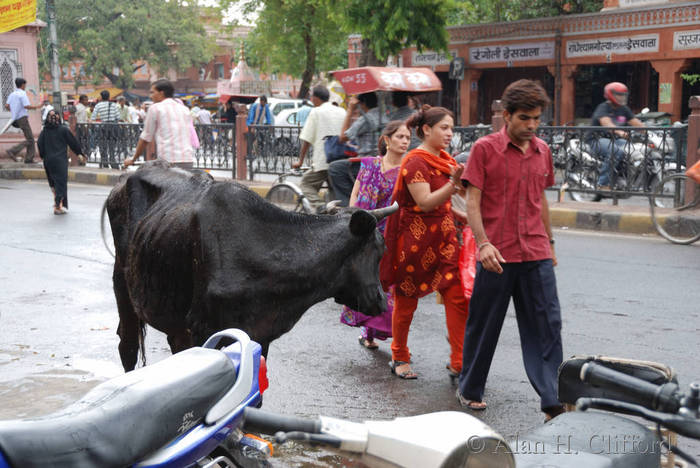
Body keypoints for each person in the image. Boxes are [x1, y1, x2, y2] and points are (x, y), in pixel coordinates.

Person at [456, 79, 564, 421]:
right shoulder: (485, 149)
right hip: (497, 253)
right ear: (506, 116)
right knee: (485, 324)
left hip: (535, 251)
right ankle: (470, 387)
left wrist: (550, 242)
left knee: (548, 324)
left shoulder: (542, 150)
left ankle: (552, 399)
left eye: (536, 119)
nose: (531, 126)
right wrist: (483, 244)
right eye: (525, 119)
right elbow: (472, 202)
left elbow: (541, 200)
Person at [379, 105, 468, 380]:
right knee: (406, 300)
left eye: (451, 128)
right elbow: (425, 202)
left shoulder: (445, 160)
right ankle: (399, 354)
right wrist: (453, 185)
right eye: (444, 128)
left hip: (445, 237)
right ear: (426, 130)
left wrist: (465, 216)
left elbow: (445, 204)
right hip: (416, 240)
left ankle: (459, 359)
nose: (449, 134)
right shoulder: (416, 161)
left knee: (457, 296)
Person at [340, 121, 411, 349]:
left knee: (385, 284)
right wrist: (354, 222)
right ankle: (367, 331)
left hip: (390, 237)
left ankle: (379, 334)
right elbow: (356, 194)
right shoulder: (369, 164)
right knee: (365, 281)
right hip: (364, 234)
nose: (404, 141)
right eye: (400, 136)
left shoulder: (407, 171)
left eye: (407, 138)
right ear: (387, 140)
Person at [292, 85, 346, 210]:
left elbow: (306, 139)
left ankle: (320, 207)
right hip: (340, 161)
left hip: (323, 161)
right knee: (335, 195)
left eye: (312, 97)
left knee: (306, 184)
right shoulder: (342, 111)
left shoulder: (316, 112)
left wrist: (300, 161)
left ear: (315, 98)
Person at [124, 79, 195, 170]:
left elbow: (146, 138)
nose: (151, 96)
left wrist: (133, 159)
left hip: (168, 162)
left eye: (152, 92)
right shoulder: (184, 109)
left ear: (161, 93)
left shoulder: (155, 108)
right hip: (188, 160)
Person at [588, 82, 644, 194]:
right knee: (615, 151)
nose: (622, 97)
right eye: (619, 95)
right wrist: (619, 132)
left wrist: (649, 131)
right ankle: (603, 184)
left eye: (623, 95)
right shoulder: (603, 107)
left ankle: (622, 177)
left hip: (614, 140)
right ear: (610, 95)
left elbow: (636, 123)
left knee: (635, 149)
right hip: (596, 139)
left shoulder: (624, 109)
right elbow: (606, 123)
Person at [329, 92, 381, 206]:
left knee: (335, 168)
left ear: (362, 104)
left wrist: (350, 110)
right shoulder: (384, 117)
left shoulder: (366, 119)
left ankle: (347, 206)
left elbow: (343, 137)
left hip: (367, 163)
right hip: (381, 159)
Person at [37, 110, 85, 215]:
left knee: (53, 183)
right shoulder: (63, 130)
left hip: (48, 161)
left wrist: (43, 156)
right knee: (61, 184)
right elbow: (73, 142)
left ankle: (57, 203)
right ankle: (57, 206)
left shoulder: (44, 131)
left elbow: (40, 145)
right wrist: (79, 153)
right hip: (60, 161)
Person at [2, 77, 40, 163]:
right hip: (22, 118)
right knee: (30, 139)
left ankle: (29, 159)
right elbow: (26, 106)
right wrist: (37, 107)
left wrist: (14, 110)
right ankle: (13, 151)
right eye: (25, 85)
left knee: (30, 138)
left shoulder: (12, 94)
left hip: (15, 119)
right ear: (23, 85)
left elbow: (7, 106)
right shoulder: (22, 94)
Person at [91, 90, 120, 168]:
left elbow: (93, 117)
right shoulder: (114, 105)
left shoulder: (98, 105)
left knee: (103, 145)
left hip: (103, 127)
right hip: (113, 127)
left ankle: (105, 162)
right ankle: (113, 161)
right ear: (108, 97)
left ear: (101, 97)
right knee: (112, 145)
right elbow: (118, 117)